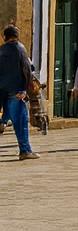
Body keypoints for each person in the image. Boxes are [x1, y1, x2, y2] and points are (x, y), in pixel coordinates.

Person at [0, 25, 38, 161]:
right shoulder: (19, 49)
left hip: (3, 90)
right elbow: (27, 69)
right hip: (16, 90)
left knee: (11, 117)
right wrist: (23, 89)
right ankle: (25, 150)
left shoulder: (2, 50)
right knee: (21, 121)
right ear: (16, 36)